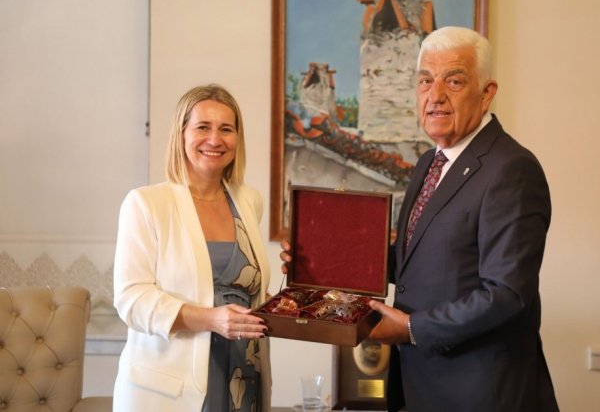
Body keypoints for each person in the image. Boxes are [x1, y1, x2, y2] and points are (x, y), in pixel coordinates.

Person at [281, 26, 559, 411]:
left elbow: (506, 295)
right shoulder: (429, 163)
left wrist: (412, 329)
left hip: (481, 394)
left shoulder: (512, 169)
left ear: (487, 92)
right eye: (425, 80)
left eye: (454, 81)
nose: (435, 95)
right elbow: (416, 264)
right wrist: (320, 262)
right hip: (420, 387)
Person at [113, 84, 271, 412]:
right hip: (171, 389)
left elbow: (248, 292)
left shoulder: (250, 201)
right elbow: (132, 300)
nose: (215, 140)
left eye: (226, 129)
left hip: (244, 375)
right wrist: (211, 319)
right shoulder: (145, 203)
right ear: (181, 134)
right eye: (202, 127)